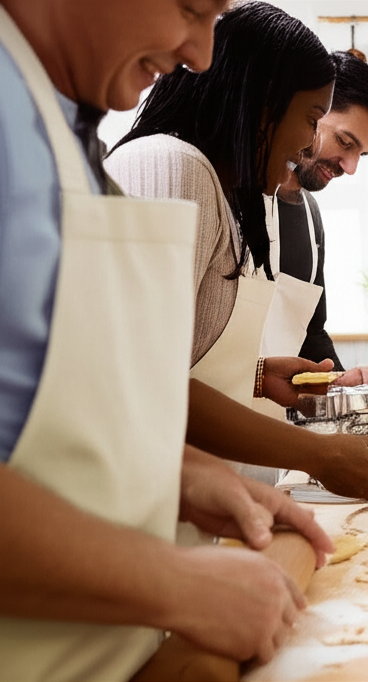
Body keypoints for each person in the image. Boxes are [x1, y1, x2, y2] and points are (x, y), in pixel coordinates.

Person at [0, 0, 335, 678]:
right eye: (189, 8)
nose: (201, 55)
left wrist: (180, 475)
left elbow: (58, 407)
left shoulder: (60, 127)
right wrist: (173, 583)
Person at [106, 2, 368, 490]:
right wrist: (318, 455)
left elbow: (167, 356)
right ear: (261, 105)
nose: (309, 144)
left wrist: (257, 375)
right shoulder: (170, 166)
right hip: (143, 490)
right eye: (312, 118)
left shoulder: (218, 188)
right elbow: (136, 379)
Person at [273, 50, 368, 384]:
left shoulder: (310, 215)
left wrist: (347, 384)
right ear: (309, 112)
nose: (351, 166)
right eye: (345, 142)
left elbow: (311, 334)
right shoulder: (234, 197)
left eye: (362, 154)